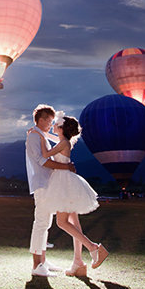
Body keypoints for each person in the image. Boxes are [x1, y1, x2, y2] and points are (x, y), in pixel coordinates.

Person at [36, 112, 108, 277]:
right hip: (68, 182)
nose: (52, 125)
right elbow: (54, 140)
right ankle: (78, 262)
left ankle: (93, 248)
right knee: (74, 222)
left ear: (60, 128)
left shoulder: (63, 143)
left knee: (62, 223)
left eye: (55, 123)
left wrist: (40, 138)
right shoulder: (63, 141)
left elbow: (46, 155)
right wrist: (42, 133)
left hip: (63, 183)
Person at [26, 104, 78, 277]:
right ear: (40, 120)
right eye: (48, 121)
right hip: (41, 183)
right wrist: (65, 167)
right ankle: (36, 266)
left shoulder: (39, 134)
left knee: (46, 224)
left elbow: (59, 142)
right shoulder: (34, 136)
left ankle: (42, 261)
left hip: (48, 184)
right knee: (40, 223)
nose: (50, 124)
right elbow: (42, 161)